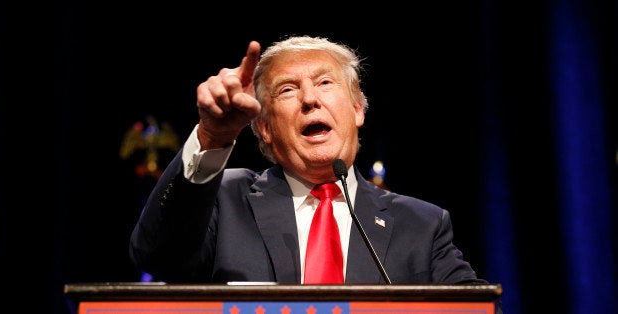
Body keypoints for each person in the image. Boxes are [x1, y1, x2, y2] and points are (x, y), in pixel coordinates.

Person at [129, 35, 490, 286]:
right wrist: (212, 136)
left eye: (325, 83)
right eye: (287, 89)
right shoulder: (225, 199)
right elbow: (156, 255)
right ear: (265, 128)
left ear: (357, 109)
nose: (309, 100)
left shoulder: (421, 225)